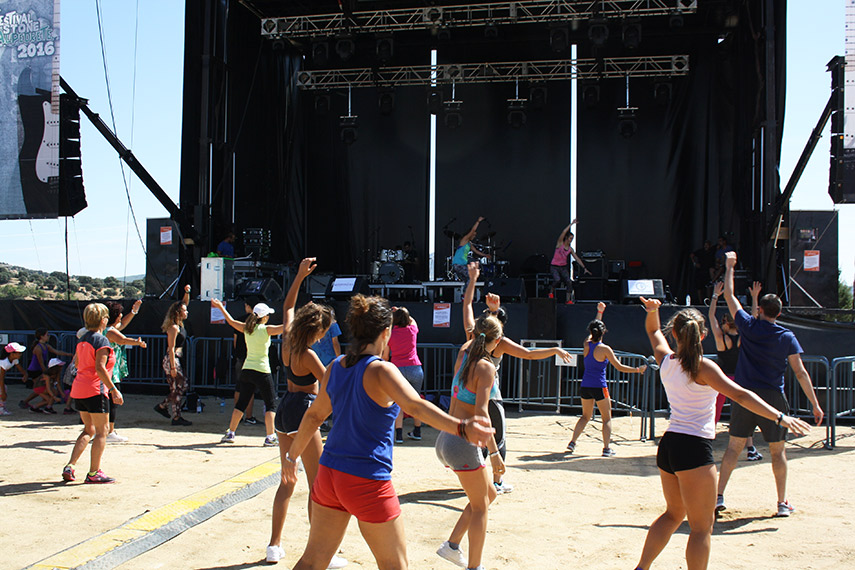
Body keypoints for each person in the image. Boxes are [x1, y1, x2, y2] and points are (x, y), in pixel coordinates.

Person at [281, 293, 493, 570]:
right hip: (366, 479)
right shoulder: (382, 371)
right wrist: (462, 428)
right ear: (386, 332)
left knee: (312, 560)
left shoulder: (335, 366)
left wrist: (292, 457)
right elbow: (415, 407)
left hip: (330, 474)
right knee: (395, 565)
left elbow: (313, 417)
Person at [633, 297, 811, 570]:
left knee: (672, 514)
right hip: (693, 448)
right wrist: (779, 416)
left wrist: (653, 310)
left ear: (676, 334)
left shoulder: (667, 361)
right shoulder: (704, 367)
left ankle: (641, 568)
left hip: (669, 446)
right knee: (702, 528)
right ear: (703, 335)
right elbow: (740, 395)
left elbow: (653, 332)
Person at [715, 251, 824, 517]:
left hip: (744, 396)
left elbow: (729, 296)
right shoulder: (787, 336)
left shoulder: (749, 326)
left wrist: (730, 266)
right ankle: (782, 503)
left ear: (760, 309)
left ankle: (718, 497)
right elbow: (800, 373)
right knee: (778, 452)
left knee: (733, 448)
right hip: (773, 397)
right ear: (780, 311)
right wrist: (815, 404)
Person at [463, 261, 572, 493]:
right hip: (491, 398)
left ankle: (478, 480)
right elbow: (529, 354)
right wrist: (554, 350)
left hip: (467, 398)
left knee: (475, 438)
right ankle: (496, 482)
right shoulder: (499, 343)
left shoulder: (472, 337)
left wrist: (473, 280)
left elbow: (467, 305)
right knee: (497, 439)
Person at [265, 258, 346, 567]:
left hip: (285, 408)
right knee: (318, 485)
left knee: (287, 481)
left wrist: (299, 276)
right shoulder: (309, 354)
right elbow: (330, 386)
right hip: (303, 412)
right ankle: (320, 551)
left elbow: (288, 304)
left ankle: (274, 545)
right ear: (319, 331)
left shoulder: (287, 341)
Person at [436, 314, 506, 570]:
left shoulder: (465, 355)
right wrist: (495, 452)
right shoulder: (486, 367)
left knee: (488, 494)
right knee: (481, 507)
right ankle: (474, 567)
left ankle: (452, 546)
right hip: (461, 442)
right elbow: (482, 412)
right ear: (497, 341)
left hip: (448, 437)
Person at [566, 302, 646, 457]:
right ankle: (606, 448)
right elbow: (620, 367)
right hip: (599, 386)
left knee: (585, 416)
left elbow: (594, 329)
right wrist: (637, 370)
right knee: (606, 418)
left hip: (586, 385)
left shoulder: (587, 345)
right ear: (603, 333)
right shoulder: (605, 349)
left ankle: (572, 442)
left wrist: (599, 312)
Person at [62, 303, 125, 484]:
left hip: (80, 389)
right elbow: (100, 367)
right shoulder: (101, 340)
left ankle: (70, 465)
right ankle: (93, 473)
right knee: (102, 431)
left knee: (88, 429)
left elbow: (79, 364)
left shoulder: (83, 340)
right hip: (95, 390)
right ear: (103, 320)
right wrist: (113, 390)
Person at [213, 299, 283, 447]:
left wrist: (220, 307)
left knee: (241, 403)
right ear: (264, 317)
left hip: (247, 370)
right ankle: (270, 437)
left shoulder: (247, 328)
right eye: (268, 315)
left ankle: (230, 433)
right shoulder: (266, 329)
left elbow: (231, 321)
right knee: (271, 404)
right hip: (262, 371)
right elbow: (286, 327)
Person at [709, 282, 762, 461]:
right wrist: (754, 297)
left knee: (714, 411)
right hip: (740, 378)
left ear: (725, 323)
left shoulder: (720, 338)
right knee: (743, 412)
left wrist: (715, 296)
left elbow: (710, 316)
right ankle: (751, 448)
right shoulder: (743, 337)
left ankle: (707, 444)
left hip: (722, 379)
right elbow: (754, 318)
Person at [103, 300, 146, 442]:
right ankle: (109, 432)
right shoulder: (109, 332)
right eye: (119, 315)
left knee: (109, 401)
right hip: (110, 371)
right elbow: (122, 340)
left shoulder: (106, 329)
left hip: (110, 370)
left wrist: (133, 312)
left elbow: (121, 326)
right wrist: (137, 342)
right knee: (112, 401)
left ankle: (107, 430)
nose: (121, 317)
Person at [382, 306, 424, 443]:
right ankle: (417, 431)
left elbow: (386, 356)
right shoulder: (412, 330)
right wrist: (402, 311)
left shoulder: (391, 335)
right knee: (416, 401)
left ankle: (398, 434)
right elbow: (413, 320)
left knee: (398, 402)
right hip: (415, 368)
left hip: (398, 369)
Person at [154, 284, 193, 426]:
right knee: (180, 386)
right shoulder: (173, 328)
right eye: (184, 311)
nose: (187, 312)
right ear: (178, 313)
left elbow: (184, 303)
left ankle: (163, 406)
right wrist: (172, 367)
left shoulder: (180, 324)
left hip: (176, 359)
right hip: (172, 360)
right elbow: (170, 348)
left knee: (178, 388)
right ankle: (175, 416)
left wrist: (187, 292)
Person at [231, 298, 259, 425]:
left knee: (239, 387)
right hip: (252, 357)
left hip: (241, 357)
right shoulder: (259, 322)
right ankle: (249, 416)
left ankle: (238, 416)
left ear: (248, 306)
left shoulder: (240, 320)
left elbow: (235, 340)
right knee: (250, 388)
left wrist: (236, 353)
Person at [549, 219, 590, 303]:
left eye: (572, 238)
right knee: (557, 279)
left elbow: (577, 258)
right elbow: (564, 232)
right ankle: (550, 292)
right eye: (570, 238)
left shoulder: (570, 249)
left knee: (569, 282)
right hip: (554, 266)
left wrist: (584, 267)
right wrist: (571, 224)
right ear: (566, 238)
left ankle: (568, 300)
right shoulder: (560, 244)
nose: (571, 240)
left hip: (563, 267)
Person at [451, 217, 491, 282]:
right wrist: (478, 221)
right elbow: (472, 230)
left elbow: (476, 251)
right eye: (473, 235)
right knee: (471, 277)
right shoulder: (464, 240)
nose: (474, 236)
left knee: (469, 280)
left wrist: (485, 255)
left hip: (462, 265)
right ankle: (467, 291)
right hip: (458, 264)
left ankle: (467, 291)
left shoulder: (469, 244)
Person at [0, 342, 27, 415]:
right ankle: (1, 408)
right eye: (19, 353)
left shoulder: (14, 360)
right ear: (12, 354)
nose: (20, 354)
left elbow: (20, 369)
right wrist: (3, 393)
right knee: (2, 391)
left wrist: (25, 374)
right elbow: (1, 378)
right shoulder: (4, 363)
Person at [690, 240, 716, 304]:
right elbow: (692, 255)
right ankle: (700, 301)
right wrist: (695, 263)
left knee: (708, 286)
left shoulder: (712, 251)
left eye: (708, 245)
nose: (706, 246)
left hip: (708, 271)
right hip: (700, 271)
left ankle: (708, 301)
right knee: (699, 287)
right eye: (705, 244)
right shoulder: (700, 251)